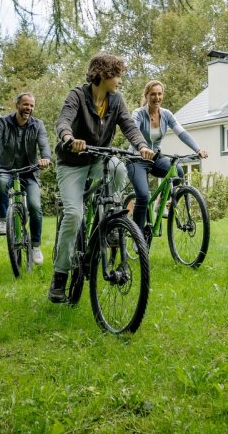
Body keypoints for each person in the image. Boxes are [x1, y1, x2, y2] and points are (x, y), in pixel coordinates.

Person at [49, 52, 155, 303]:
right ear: (103, 75)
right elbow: (63, 120)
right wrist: (68, 139)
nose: (119, 80)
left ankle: (106, 223)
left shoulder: (116, 100)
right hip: (72, 163)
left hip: (98, 159)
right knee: (74, 215)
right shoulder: (77, 95)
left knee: (119, 167)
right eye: (116, 75)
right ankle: (59, 277)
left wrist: (141, 145)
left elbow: (129, 125)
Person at [127, 79, 208, 235]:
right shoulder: (138, 113)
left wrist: (198, 149)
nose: (157, 98)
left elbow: (181, 133)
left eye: (159, 94)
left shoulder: (166, 115)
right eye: (153, 94)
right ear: (146, 95)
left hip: (155, 158)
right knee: (143, 196)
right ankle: (137, 234)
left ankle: (160, 205)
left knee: (177, 171)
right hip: (136, 159)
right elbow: (133, 132)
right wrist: (142, 147)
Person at [0, 92, 51, 265]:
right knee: (2, 182)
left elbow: (43, 143)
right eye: (25, 104)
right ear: (17, 105)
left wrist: (46, 158)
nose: (28, 108)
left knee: (35, 206)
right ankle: (3, 220)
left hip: (29, 171)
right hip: (6, 168)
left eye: (32, 105)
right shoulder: (3, 123)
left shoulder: (38, 125)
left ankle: (35, 246)